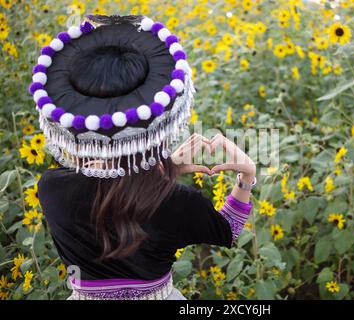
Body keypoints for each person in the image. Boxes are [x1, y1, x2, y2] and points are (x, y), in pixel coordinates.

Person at [32, 15, 256, 300]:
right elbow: (228, 231)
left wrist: (161, 169)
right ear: (159, 126)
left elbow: (101, 187)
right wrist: (247, 174)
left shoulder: (51, 188)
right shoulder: (177, 203)